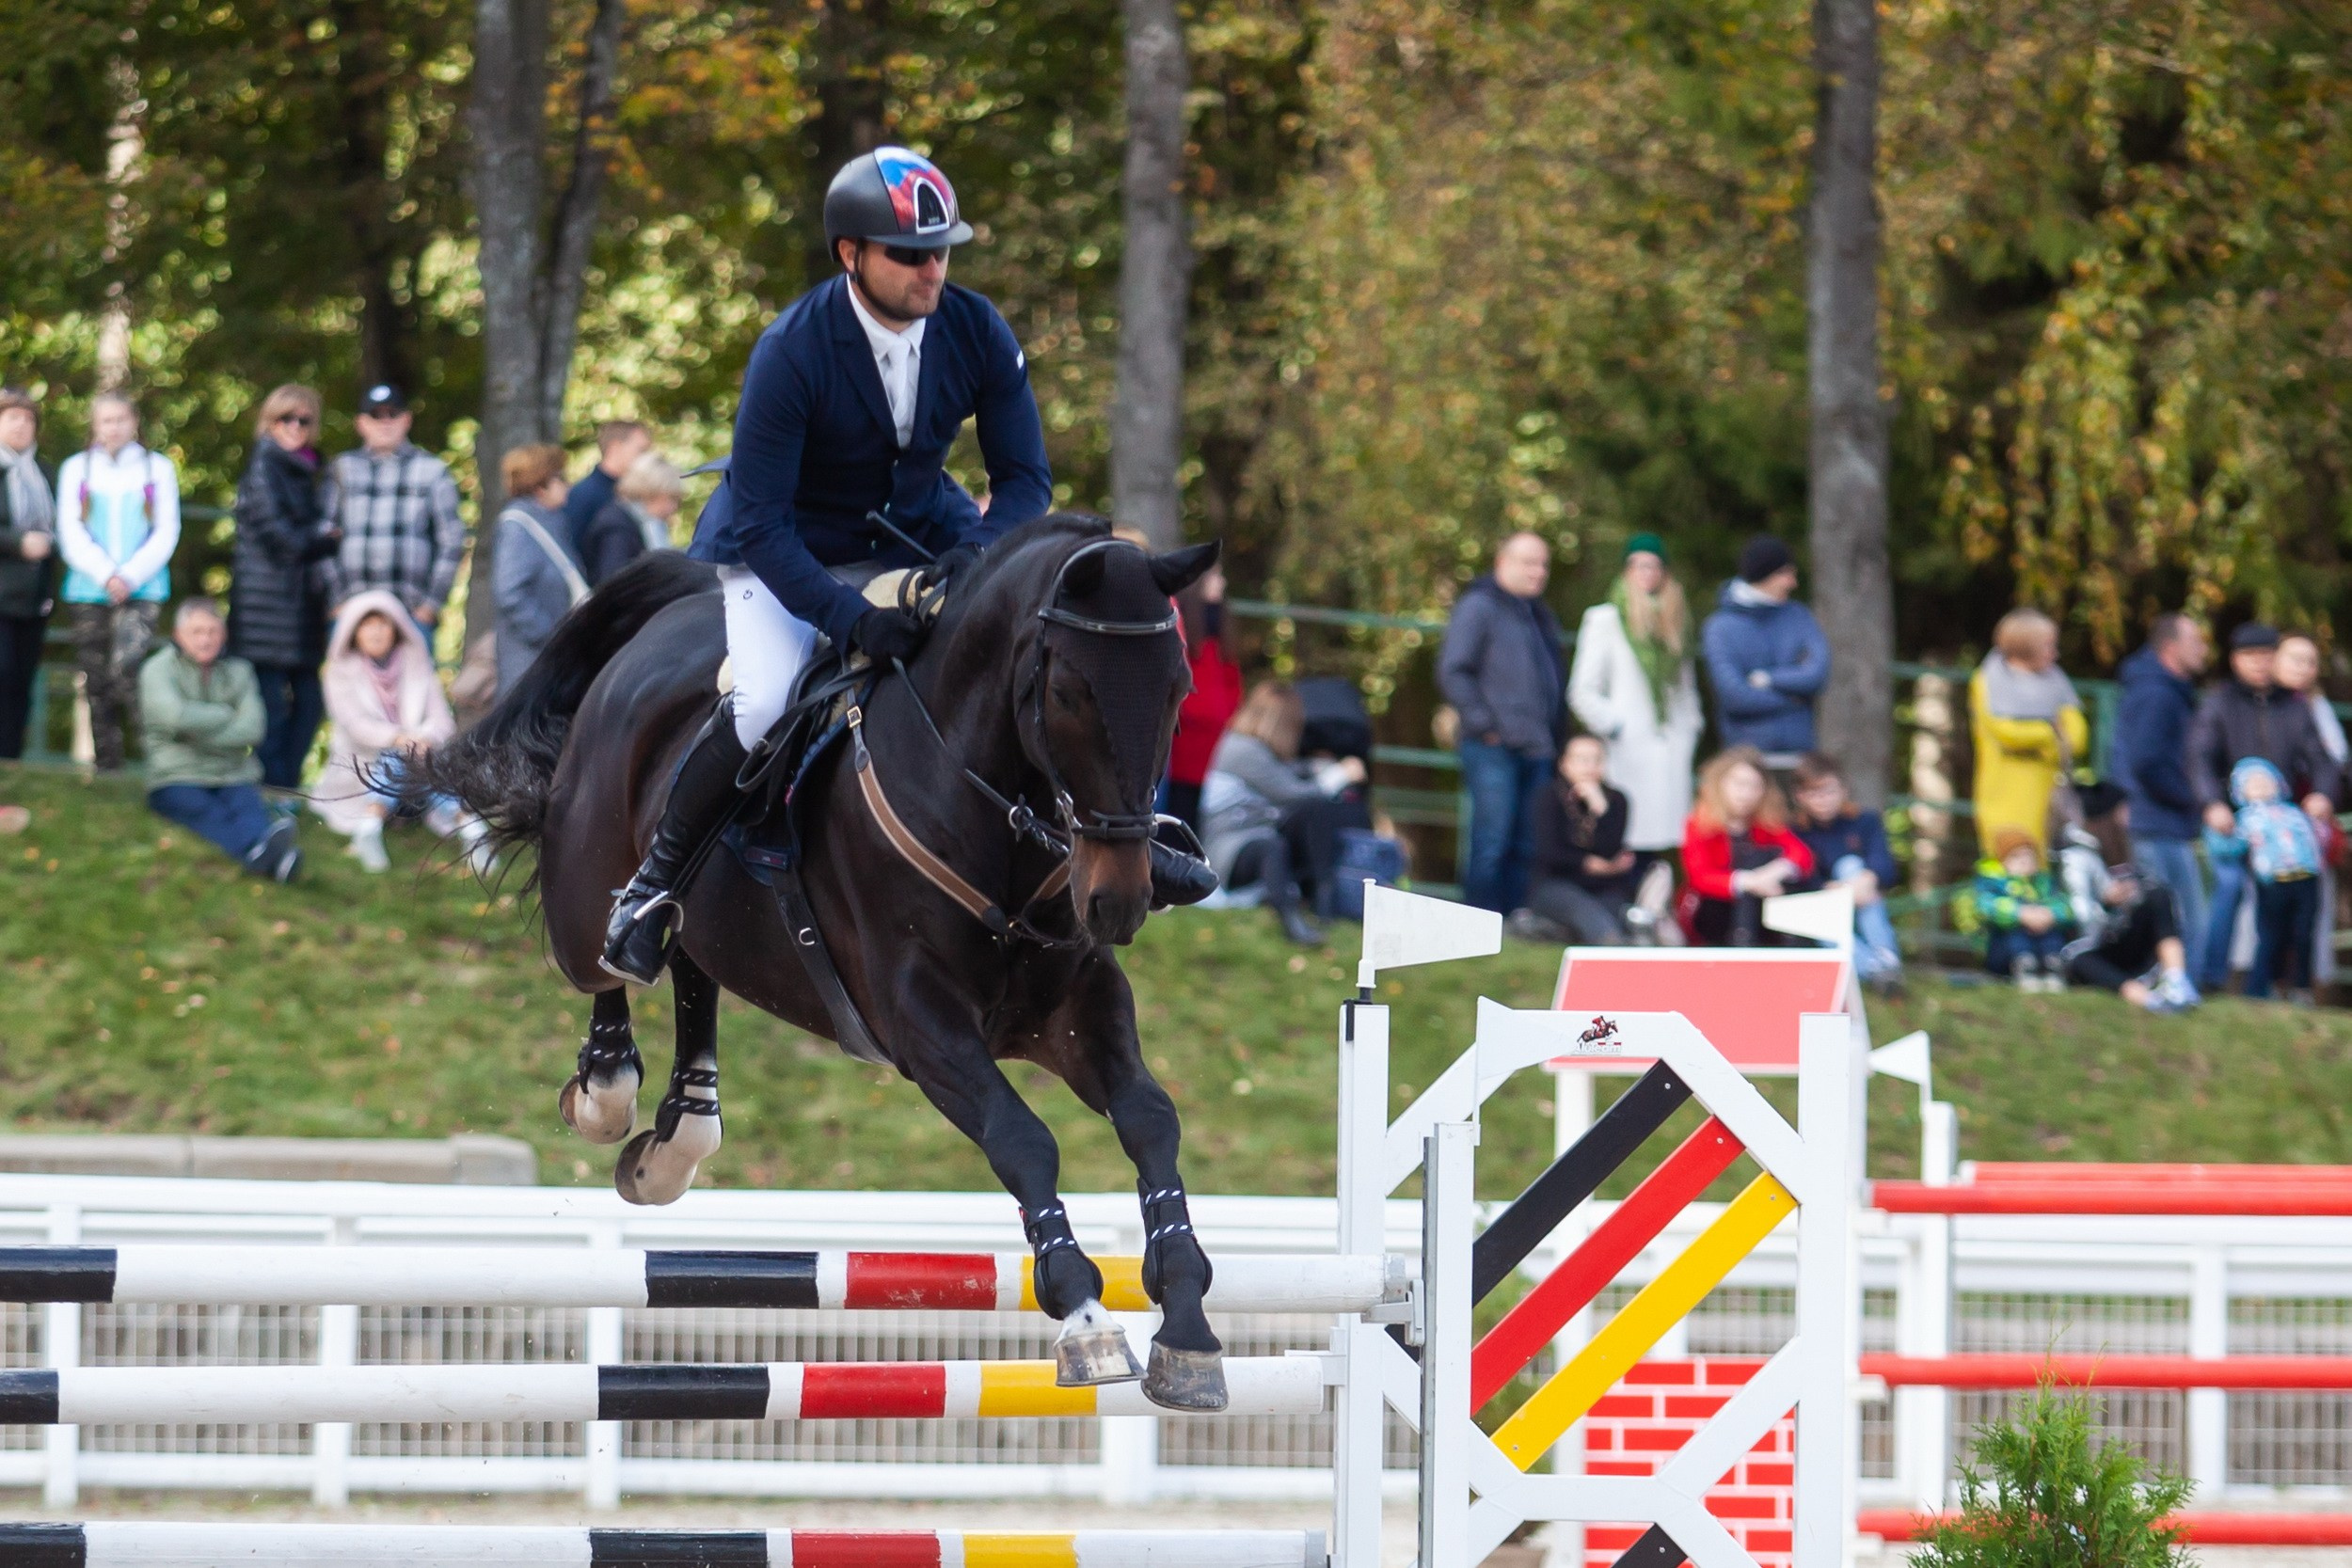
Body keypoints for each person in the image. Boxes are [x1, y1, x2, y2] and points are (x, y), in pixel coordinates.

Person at [610, 145, 1201, 988]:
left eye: (942, 250)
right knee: (768, 696)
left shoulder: (974, 327)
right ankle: (652, 887)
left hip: (919, 529)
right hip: (787, 546)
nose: (933, 269)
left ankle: (1135, 834)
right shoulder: (792, 350)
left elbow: (1024, 478)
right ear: (851, 255)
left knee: (1033, 654)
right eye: (911, 255)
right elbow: (767, 525)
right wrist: (852, 620)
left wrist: (982, 556)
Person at [2187, 623, 2341, 991]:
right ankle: (2213, 977)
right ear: (2235, 660)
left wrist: (2322, 794)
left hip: (2280, 824)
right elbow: (2200, 757)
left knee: (2287, 901)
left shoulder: (2294, 707)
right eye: (2249, 656)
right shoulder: (2219, 703)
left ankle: (2270, 983)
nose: (2258, 664)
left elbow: (2321, 759)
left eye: (2265, 656)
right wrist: (2212, 803)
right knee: (2228, 886)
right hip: (2232, 819)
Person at [1438, 531, 1566, 913]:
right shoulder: (1479, 607)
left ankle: (1515, 921)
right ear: (1502, 562)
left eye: (1543, 564)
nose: (1538, 572)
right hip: (1495, 746)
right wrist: (1483, 725)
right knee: (1492, 838)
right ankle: (1479, 921)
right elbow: (1454, 670)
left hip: (1538, 747)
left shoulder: (1539, 615)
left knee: (1528, 842)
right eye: (1529, 562)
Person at [313, 590, 486, 874]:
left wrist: (424, 738)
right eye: (368, 625)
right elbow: (353, 724)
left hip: (417, 772)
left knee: (422, 760)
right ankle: (465, 824)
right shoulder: (339, 672)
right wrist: (398, 738)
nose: (376, 632)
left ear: (396, 628)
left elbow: (441, 719)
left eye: (383, 624)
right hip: (367, 767)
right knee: (396, 759)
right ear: (354, 632)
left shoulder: (417, 663)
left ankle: (378, 823)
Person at [56, 392, 180, 772]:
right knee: (94, 677)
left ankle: (156, 760)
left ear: (134, 421)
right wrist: (104, 572)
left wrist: (128, 575)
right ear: (95, 424)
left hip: (142, 587)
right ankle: (107, 764)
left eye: (120, 419)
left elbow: (166, 529)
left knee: (129, 669)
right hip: (89, 587)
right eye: (106, 420)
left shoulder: (155, 468)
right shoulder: (78, 468)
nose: (114, 427)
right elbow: (70, 528)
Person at [230, 384, 342, 790]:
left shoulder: (313, 470)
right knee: (272, 711)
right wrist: (328, 539)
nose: (295, 427)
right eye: (285, 419)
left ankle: (285, 784)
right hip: (265, 612)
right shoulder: (264, 467)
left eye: (304, 420)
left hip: (303, 609)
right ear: (270, 421)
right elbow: (283, 539)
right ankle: (273, 787)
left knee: (310, 705)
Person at [1568, 532, 1704, 869]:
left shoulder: (1675, 622)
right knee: (1629, 830)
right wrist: (1615, 725)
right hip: (1629, 746)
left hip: (1670, 742)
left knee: (1667, 839)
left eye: (1654, 566)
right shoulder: (1606, 619)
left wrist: (1689, 728)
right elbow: (1582, 690)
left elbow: (1686, 688)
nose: (1647, 573)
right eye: (1639, 565)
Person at [138, 598, 299, 880]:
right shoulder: (158, 669)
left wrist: (194, 734)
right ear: (178, 636)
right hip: (176, 775)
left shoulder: (240, 670)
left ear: (223, 635)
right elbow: (174, 717)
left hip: (232, 773)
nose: (206, 639)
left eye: (213, 632)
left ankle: (264, 856)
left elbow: (253, 729)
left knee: (248, 810)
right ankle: (271, 859)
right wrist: (227, 714)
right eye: (197, 632)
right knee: (207, 813)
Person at [1200, 681, 1368, 946]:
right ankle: (1291, 920)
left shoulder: (1254, 748)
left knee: (1313, 812)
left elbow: (1291, 771)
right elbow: (1290, 792)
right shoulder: (1243, 749)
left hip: (1254, 834)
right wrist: (1340, 774)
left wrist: (1320, 766)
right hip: (1229, 849)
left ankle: (1321, 898)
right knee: (1275, 844)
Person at [2110, 613, 2211, 958]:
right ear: (2170, 647)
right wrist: (2192, 799)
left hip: (2160, 819)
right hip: (2157, 821)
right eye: (2195, 641)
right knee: (2183, 919)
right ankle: (2177, 986)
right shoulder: (2157, 694)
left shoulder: (2167, 691)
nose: (2203, 649)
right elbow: (2147, 761)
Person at [327, 384, 466, 631]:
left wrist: (430, 606)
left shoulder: (433, 470)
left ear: (407, 420)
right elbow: (322, 535)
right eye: (376, 415)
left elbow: (452, 540)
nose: (385, 422)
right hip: (351, 615)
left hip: (411, 616)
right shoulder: (341, 469)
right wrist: (336, 600)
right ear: (361, 423)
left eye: (393, 414)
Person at [1699, 535, 1829, 768]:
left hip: (1800, 757)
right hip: (1748, 761)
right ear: (1765, 574)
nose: (1793, 583)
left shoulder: (1799, 616)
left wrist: (1768, 679)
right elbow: (1734, 696)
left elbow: (1817, 674)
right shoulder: (1720, 627)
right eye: (1786, 574)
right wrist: (1795, 698)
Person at [1967, 608, 2087, 855]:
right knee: (2010, 861)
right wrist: (2050, 734)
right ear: (2025, 646)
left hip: (2048, 797)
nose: (2054, 654)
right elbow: (2006, 732)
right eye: (2047, 645)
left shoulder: (2055, 681)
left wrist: (2043, 738)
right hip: (2005, 795)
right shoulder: (1989, 680)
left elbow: (2077, 736)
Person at [1679, 745, 1816, 945]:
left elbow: (1801, 855)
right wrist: (1749, 881)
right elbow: (1700, 876)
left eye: (1754, 786)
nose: (1747, 793)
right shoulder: (1698, 823)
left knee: (1765, 860)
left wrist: (1773, 872)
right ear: (1720, 783)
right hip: (1715, 910)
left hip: (1760, 907)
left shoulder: (1765, 822)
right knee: (1753, 862)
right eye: (1740, 784)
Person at [1789, 752, 1904, 987]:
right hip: (1823, 906)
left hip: (1864, 899)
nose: (1823, 799)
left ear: (1844, 790)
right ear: (1800, 796)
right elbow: (1801, 879)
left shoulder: (1865, 821)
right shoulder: (1794, 831)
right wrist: (1838, 891)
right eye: (1814, 792)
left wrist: (1863, 882)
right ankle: (1876, 967)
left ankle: (1884, 958)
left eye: (1829, 791)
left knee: (1850, 866)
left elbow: (1885, 868)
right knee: (1822, 919)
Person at [1515, 733, 1636, 944]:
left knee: (1608, 912)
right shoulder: (1548, 796)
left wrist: (1600, 809)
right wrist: (1591, 864)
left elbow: (1611, 849)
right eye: (1581, 759)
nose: (1590, 766)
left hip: (1604, 887)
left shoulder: (1617, 800)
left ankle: (1556, 934)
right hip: (1554, 885)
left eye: (1596, 759)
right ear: (1564, 764)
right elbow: (1548, 852)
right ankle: (1613, 946)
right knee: (1589, 915)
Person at [2275, 632, 2345, 989]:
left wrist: (2322, 794)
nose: (2303, 668)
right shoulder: (2261, 703)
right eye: (2295, 658)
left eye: (2310, 661)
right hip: (2270, 825)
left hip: (2308, 823)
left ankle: (2308, 983)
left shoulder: (2316, 708)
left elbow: (2334, 762)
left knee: (2310, 908)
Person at [490, 444, 586, 696]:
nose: (568, 485)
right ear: (540, 485)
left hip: (548, 662)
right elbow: (509, 592)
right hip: (529, 665)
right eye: (561, 478)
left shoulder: (552, 521)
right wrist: (550, 635)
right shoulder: (518, 526)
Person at [2231, 757, 2326, 1002]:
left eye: (2266, 781)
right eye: (2254, 783)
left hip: (2306, 878)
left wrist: (2321, 825)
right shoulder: (2246, 819)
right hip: (2273, 882)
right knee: (2273, 936)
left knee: (2304, 935)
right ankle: (2268, 985)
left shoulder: (2295, 813)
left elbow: (2317, 838)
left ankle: (2302, 987)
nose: (2262, 787)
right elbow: (2232, 846)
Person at [1164, 558, 1242, 834]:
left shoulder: (1222, 632)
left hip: (1216, 744)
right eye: (1215, 577)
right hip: (1188, 743)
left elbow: (1233, 684)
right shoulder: (1185, 632)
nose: (1222, 583)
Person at [0, 389, 56, 760]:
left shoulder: (45, 474)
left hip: (34, 599)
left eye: (28, 418)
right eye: (12, 417)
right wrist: (19, 543)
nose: (22, 425)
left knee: (21, 684)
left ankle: (11, 761)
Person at [1974, 827, 2073, 990]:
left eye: (2029, 855)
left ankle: (2052, 968)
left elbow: (2066, 907)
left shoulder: (2044, 883)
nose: (2024, 861)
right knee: (2015, 934)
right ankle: (2025, 968)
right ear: (2003, 861)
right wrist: (2020, 914)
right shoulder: (1994, 883)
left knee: (2053, 936)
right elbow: (1986, 907)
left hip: (2042, 940)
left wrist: (2050, 915)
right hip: (2004, 950)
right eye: (2016, 856)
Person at [579, 451, 683, 587]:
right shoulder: (617, 527)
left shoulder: (648, 523)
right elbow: (612, 582)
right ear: (650, 493)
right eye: (671, 498)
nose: (674, 507)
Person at [563, 420, 653, 551]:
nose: (646, 459)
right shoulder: (585, 495)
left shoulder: (633, 493)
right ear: (615, 447)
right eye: (641, 450)